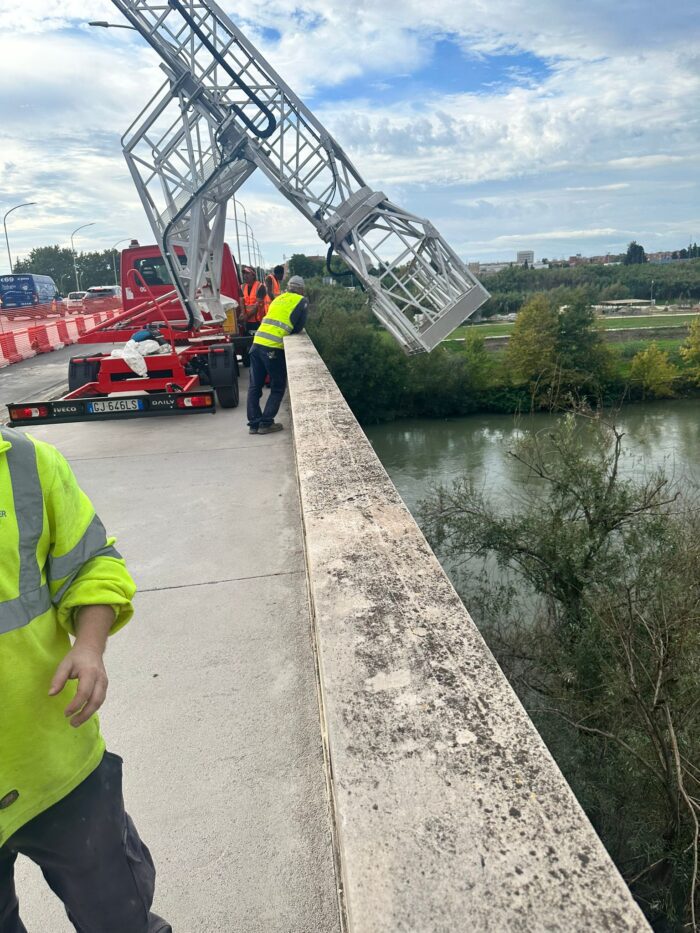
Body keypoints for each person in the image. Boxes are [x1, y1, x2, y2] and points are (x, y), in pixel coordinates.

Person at [0, 427, 170, 933]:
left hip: (53, 764)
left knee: (119, 917)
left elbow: (93, 564)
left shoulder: (27, 463)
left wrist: (89, 646)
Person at [247, 275, 308, 435]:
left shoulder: (278, 298)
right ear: (301, 290)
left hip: (256, 343)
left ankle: (254, 424)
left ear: (288, 287)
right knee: (278, 386)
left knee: (255, 386)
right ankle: (266, 423)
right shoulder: (301, 301)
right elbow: (298, 327)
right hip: (272, 347)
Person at [240, 266, 266, 335]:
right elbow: (242, 302)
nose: (245, 276)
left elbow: (257, 305)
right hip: (247, 321)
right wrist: (243, 314)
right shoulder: (242, 287)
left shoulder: (260, 286)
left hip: (257, 321)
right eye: (244, 274)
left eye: (247, 274)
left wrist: (246, 317)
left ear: (253, 275)